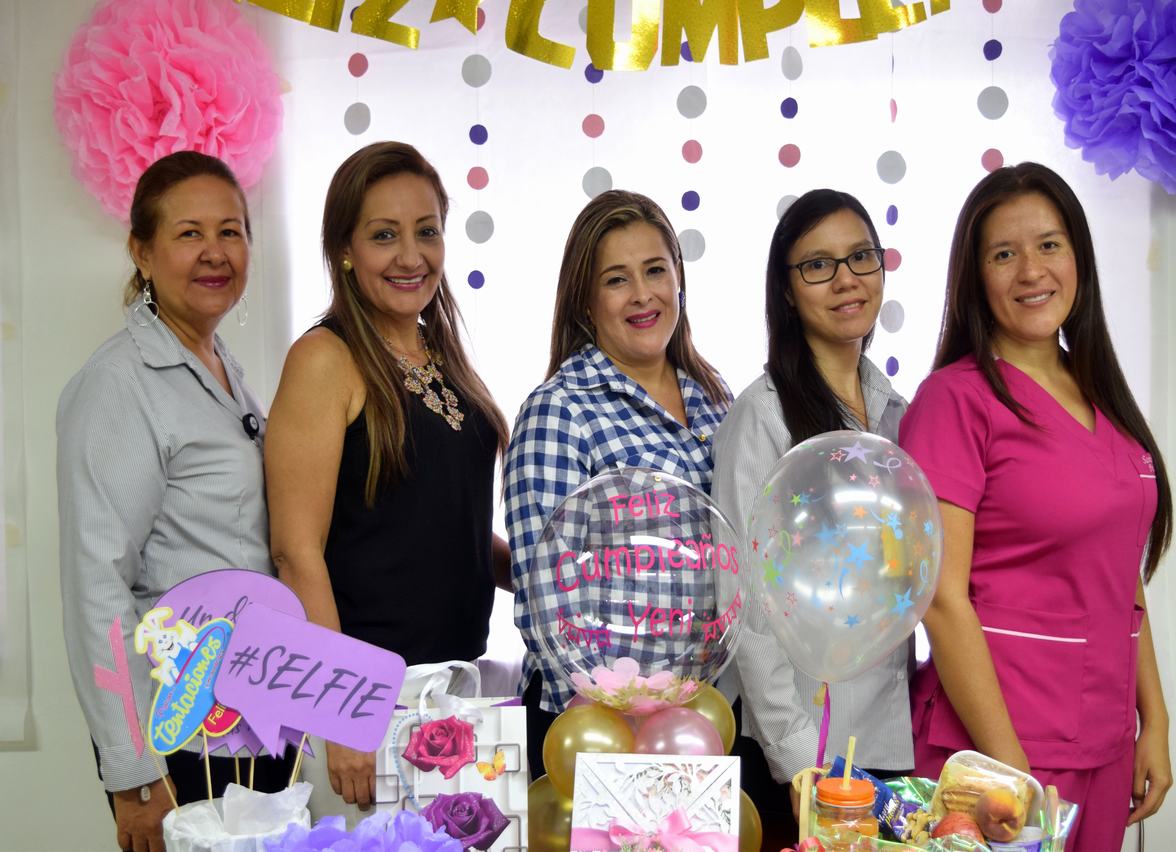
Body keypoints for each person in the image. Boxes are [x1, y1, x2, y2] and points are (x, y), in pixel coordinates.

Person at [899, 162, 1172, 850]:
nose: (1031, 271)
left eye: (1049, 244)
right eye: (1003, 254)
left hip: (1103, 742)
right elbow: (940, 598)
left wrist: (1155, 720)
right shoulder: (954, 402)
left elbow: (1116, 571)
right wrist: (1008, 773)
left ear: (1078, 256)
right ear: (975, 276)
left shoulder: (1101, 395)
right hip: (994, 750)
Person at [58, 151, 293, 852]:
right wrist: (134, 775)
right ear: (142, 250)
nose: (215, 253)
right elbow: (97, 585)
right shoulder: (119, 383)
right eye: (189, 233)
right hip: (178, 735)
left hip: (249, 717)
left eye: (231, 231)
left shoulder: (220, 368)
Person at [264, 141, 509, 814]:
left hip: (460, 687)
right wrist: (342, 710)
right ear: (344, 249)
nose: (410, 255)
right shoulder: (325, 359)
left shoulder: (440, 354)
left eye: (426, 231)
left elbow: (444, 527)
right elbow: (295, 551)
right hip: (372, 699)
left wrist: (549, 580)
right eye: (383, 235)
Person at [503, 189, 731, 778]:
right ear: (586, 300)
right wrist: (609, 730)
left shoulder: (716, 401)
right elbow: (546, 594)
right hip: (597, 731)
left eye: (655, 270)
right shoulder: (560, 410)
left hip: (699, 722)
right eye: (616, 279)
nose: (642, 295)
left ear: (679, 280)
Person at [711, 189, 914, 848]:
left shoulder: (899, 413)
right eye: (818, 265)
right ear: (786, 290)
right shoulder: (762, 414)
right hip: (800, 757)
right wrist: (799, 756)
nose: (846, 279)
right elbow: (744, 598)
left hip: (888, 740)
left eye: (860, 256)